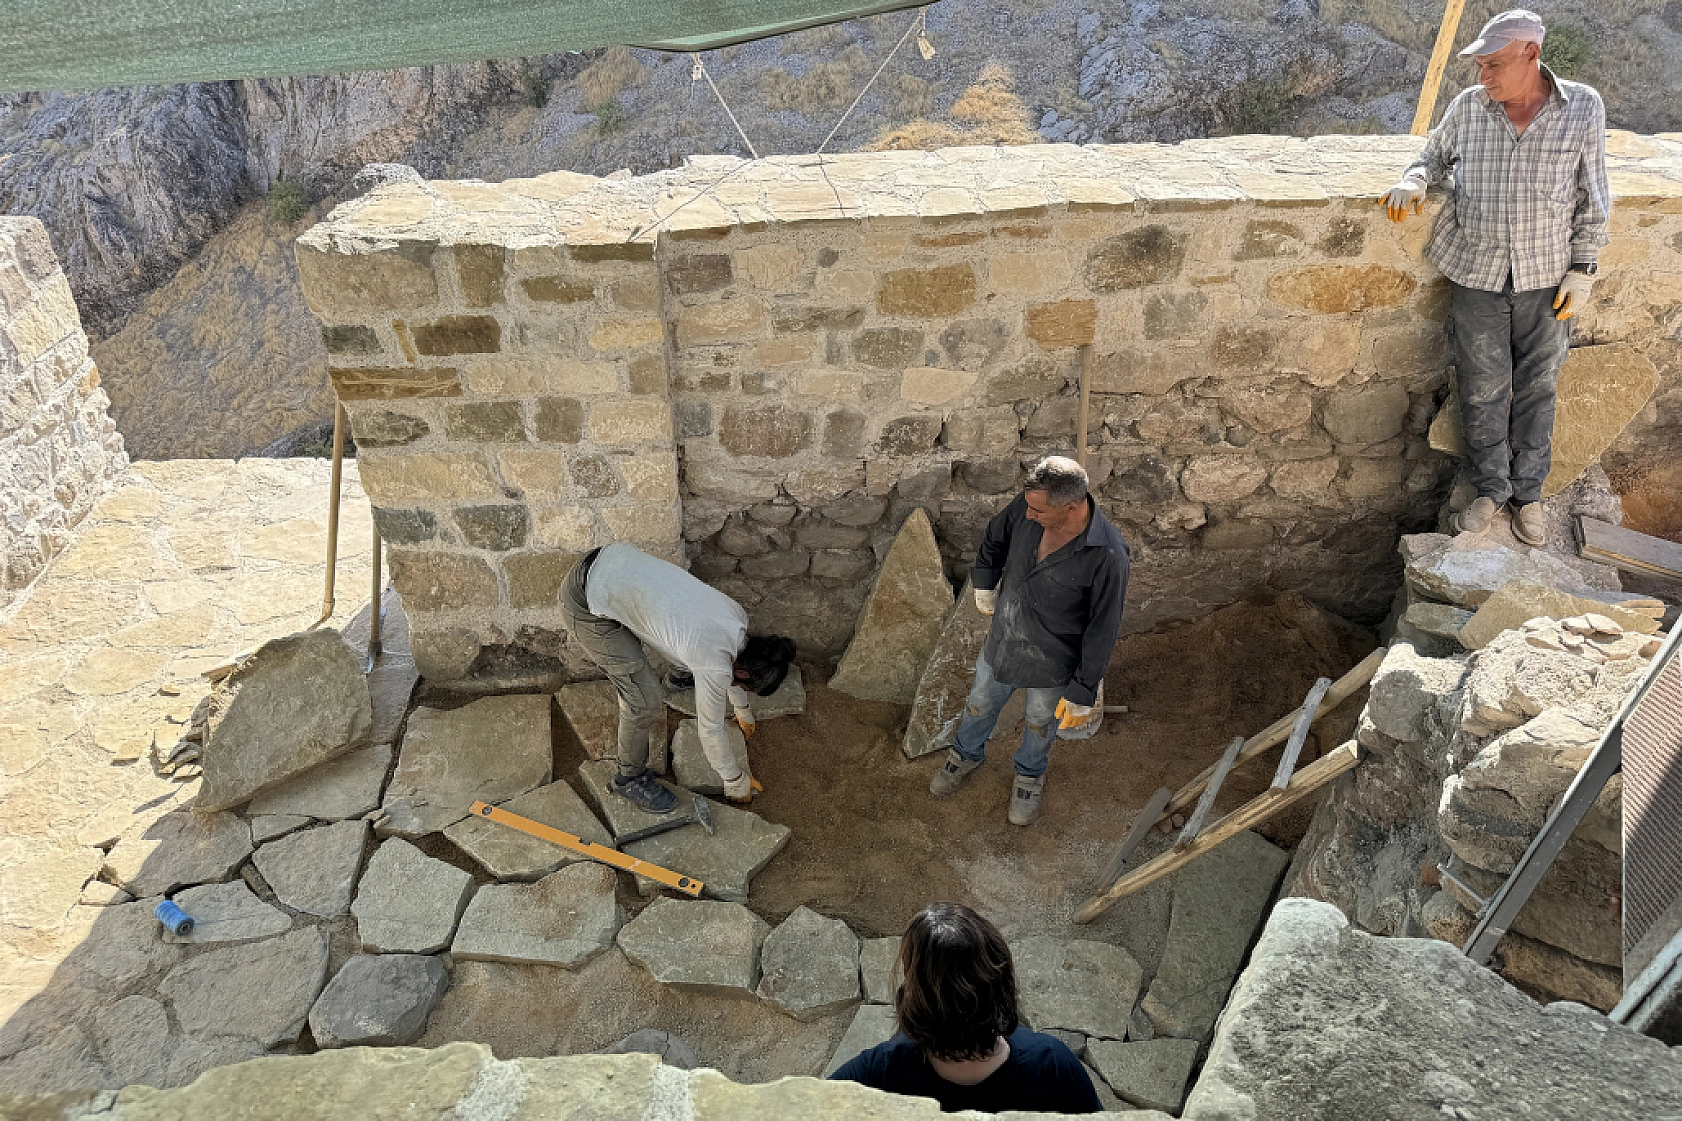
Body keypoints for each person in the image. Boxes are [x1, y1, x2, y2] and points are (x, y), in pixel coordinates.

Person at [1382, 8, 1608, 548]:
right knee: (1482, 390)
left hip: (1548, 275)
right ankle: (1490, 488)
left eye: (1494, 65)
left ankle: (1528, 496)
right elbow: (1432, 155)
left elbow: (1593, 194)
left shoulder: (1582, 108)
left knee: (1538, 389)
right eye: (1480, 66)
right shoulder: (1469, 107)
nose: (1484, 77)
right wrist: (1413, 180)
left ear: (1531, 54)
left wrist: (1584, 269)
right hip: (1476, 271)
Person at [928, 456, 1129, 825]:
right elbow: (996, 533)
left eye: (1037, 510)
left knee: (1039, 721)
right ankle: (965, 754)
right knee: (979, 703)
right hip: (1005, 639)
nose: (1028, 514)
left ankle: (1029, 775)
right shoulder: (1031, 505)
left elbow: (1104, 626)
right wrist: (985, 582)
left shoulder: (1108, 555)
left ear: (1070, 507)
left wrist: (1083, 689)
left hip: (1054, 659)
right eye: (1028, 505)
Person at [558, 542, 795, 813]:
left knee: (688, 647)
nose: (737, 687)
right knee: (644, 700)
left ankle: (681, 677)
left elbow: (729, 667)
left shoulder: (736, 619)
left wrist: (743, 712)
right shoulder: (714, 665)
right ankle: (628, 778)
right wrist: (734, 780)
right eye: (742, 687)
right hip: (583, 600)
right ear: (741, 672)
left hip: (612, 560)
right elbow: (711, 729)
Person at [829, 902, 1102, 1114]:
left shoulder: (883, 1068)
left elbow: (806, 1105)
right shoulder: (1051, 1061)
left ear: (917, 996)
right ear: (1002, 982)